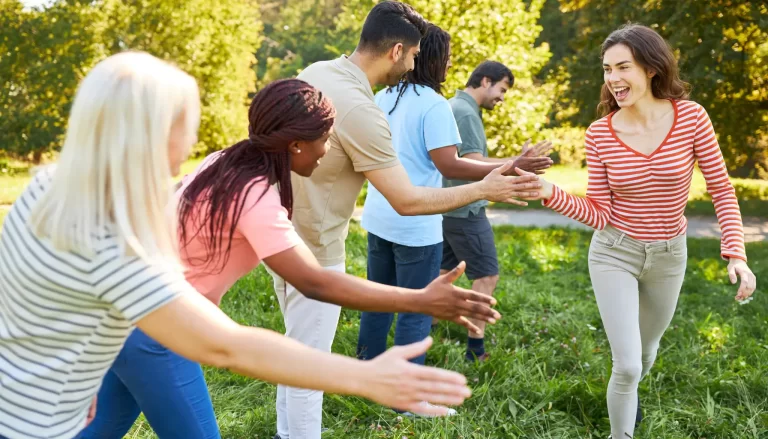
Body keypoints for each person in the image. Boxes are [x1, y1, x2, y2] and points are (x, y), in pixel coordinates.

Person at [0, 52, 479, 439]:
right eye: (185, 120)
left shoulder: (48, 188)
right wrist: (369, 370)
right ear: (151, 133)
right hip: (136, 352)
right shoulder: (122, 249)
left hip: (46, 399)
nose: (191, 132)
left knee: (101, 427)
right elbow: (231, 343)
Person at [266, 3, 544, 438]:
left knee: (296, 353)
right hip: (316, 252)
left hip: (281, 237)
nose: (417, 63)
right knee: (309, 369)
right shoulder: (361, 109)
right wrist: (487, 187)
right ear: (397, 50)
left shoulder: (316, 71)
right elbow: (408, 200)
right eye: (414, 55)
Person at [520, 24, 757, 439]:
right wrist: (547, 191)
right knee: (626, 365)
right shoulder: (600, 134)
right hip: (615, 251)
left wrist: (736, 253)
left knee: (645, 355)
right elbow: (598, 213)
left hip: (669, 256)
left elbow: (721, 188)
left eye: (622, 67)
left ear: (650, 68)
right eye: (606, 69)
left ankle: (631, 394)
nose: (612, 78)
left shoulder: (691, 117)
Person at [355, 26, 552, 385]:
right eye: (446, 58)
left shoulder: (383, 96)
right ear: (430, 58)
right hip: (417, 224)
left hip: (380, 216)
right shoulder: (433, 103)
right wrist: (508, 166)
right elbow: (451, 165)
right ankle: (405, 389)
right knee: (417, 308)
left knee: (378, 298)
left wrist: (509, 164)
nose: (449, 65)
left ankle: (367, 368)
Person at [438, 60, 553, 362]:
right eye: (501, 90)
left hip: (449, 206)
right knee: (487, 275)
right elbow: (474, 164)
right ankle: (475, 350)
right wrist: (519, 163)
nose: (502, 98)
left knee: (442, 273)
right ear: (486, 81)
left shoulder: (454, 106)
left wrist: (517, 161)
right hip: (466, 210)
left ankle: (424, 328)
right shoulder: (465, 112)